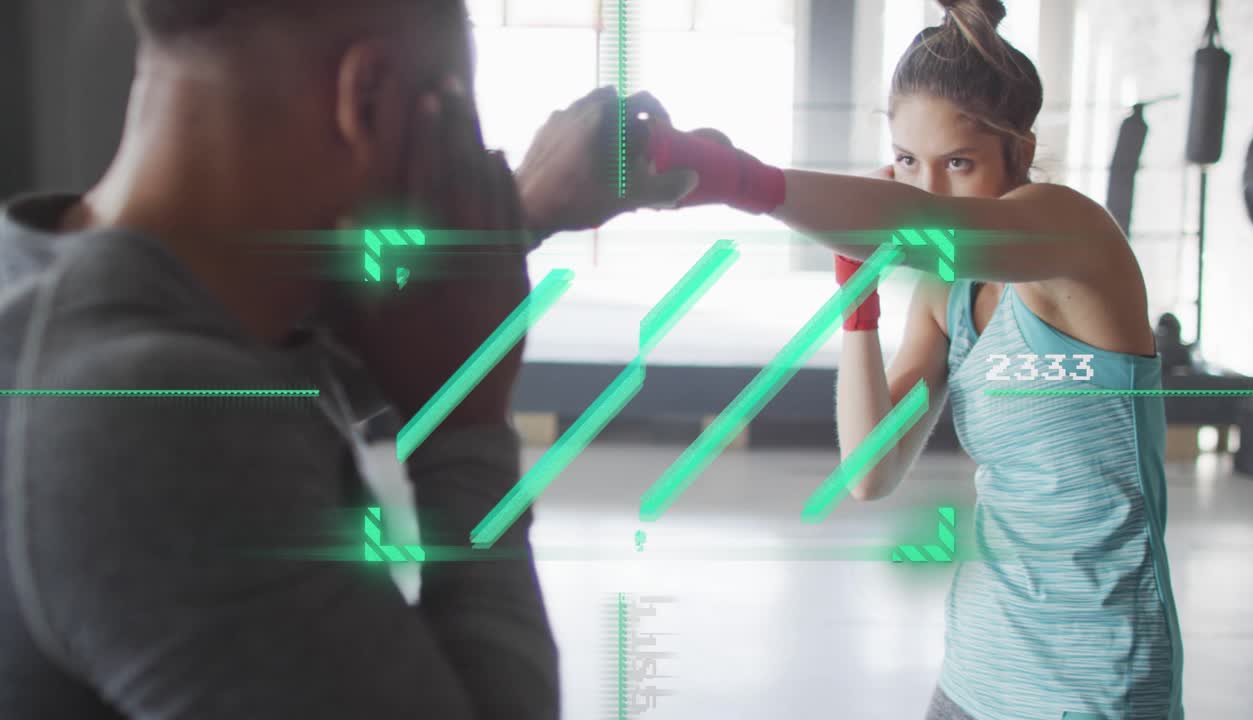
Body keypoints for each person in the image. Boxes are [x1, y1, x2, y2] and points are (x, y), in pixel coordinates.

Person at [0, 1, 686, 718]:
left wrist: (518, 214)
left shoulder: (68, 306)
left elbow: (320, 356)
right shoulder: (159, 423)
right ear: (367, 97)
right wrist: (467, 418)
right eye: (450, 122)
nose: (460, 164)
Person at [640, 0, 1184, 718]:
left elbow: (930, 226)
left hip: (1096, 682)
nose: (927, 188)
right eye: (906, 161)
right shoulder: (945, 293)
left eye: (958, 163)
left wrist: (740, 178)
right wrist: (857, 301)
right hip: (976, 668)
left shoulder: (1072, 235)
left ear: (1019, 154)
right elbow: (871, 472)